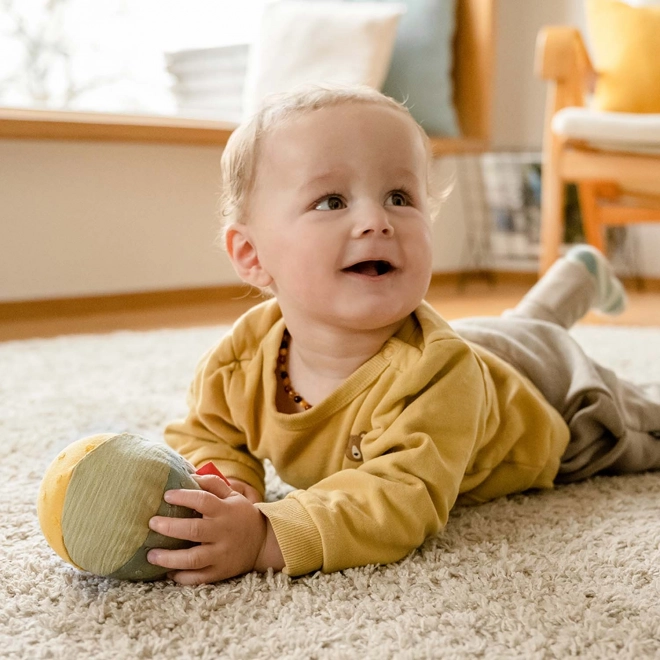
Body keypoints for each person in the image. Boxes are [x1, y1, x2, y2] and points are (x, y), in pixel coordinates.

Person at [145, 85, 660, 585]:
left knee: (637, 430)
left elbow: (398, 497)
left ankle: (577, 281)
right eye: (330, 201)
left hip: (549, 395)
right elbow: (209, 432)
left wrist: (265, 535)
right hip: (481, 345)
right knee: (517, 328)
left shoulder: (439, 374)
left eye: (399, 196)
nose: (376, 220)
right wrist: (229, 482)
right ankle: (579, 274)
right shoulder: (240, 361)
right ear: (252, 256)